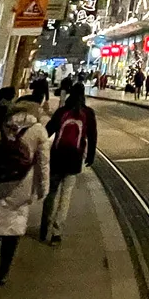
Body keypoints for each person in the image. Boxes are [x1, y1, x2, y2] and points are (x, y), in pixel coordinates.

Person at [0, 91, 49, 298]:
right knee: (12, 232)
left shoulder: (5, 124)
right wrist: (43, 190)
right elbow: (43, 164)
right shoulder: (39, 130)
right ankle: (3, 273)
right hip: (22, 188)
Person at [41, 82, 98, 242]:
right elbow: (93, 136)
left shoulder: (62, 111)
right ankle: (56, 233)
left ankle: (44, 228)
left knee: (51, 193)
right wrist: (91, 155)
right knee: (65, 196)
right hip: (74, 159)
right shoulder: (88, 113)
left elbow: (47, 131)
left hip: (57, 157)